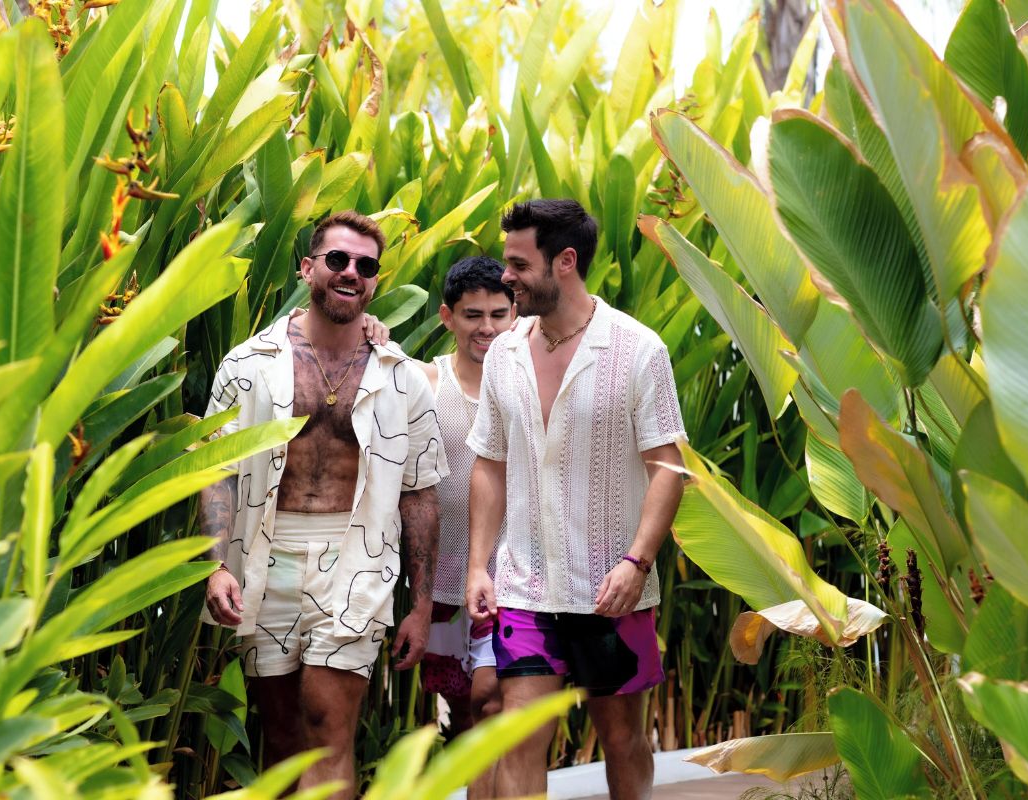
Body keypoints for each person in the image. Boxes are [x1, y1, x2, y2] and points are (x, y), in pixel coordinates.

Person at [199, 210, 446, 799]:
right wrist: (215, 565)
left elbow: (420, 492)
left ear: (375, 282)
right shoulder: (247, 365)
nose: (351, 272)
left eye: (366, 266)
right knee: (283, 740)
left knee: (327, 726)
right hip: (264, 557)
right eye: (338, 259)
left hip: (357, 557)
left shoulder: (401, 376)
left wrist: (422, 604)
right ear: (308, 267)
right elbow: (217, 472)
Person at [466, 199, 686, 800]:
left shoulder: (638, 350)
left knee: (621, 739)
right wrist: (479, 565)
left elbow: (668, 467)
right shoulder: (504, 354)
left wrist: (636, 562)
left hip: (612, 589)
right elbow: (488, 462)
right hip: (524, 586)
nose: (505, 275)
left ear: (565, 261)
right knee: (517, 733)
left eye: (517, 263)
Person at [416, 256, 516, 797]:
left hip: (511, 582)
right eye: (473, 314)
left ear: (517, 313)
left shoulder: (530, 386)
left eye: (500, 313)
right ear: (446, 317)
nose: (487, 327)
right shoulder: (426, 382)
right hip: (442, 589)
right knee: (464, 712)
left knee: (494, 702)